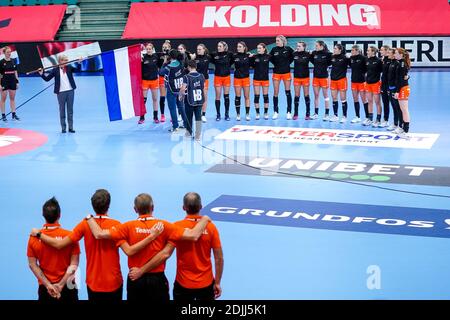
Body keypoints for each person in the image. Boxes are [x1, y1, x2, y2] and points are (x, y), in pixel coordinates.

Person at [30, 189, 162, 301]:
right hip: (114, 282)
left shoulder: (85, 224)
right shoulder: (117, 225)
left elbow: (59, 244)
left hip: (93, 282)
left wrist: (39, 234)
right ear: (108, 205)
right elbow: (129, 250)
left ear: (93, 206)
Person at [85, 193, 212, 302]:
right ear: (153, 207)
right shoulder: (164, 226)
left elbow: (99, 234)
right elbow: (193, 235)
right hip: (157, 280)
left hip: (135, 279)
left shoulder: (126, 227)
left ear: (135, 209)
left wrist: (90, 217)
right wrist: (205, 219)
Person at [129, 192, 224, 301]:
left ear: (184, 208)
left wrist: (142, 270)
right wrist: (217, 282)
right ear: (201, 207)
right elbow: (219, 258)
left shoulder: (177, 227)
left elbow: (165, 254)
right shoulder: (211, 227)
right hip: (206, 284)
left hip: (183, 283)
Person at [27, 197, 80, 302]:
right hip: (69, 284)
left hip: (45, 288)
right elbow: (74, 264)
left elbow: (32, 265)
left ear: (43, 215)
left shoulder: (33, 237)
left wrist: (48, 285)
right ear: (59, 215)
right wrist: (61, 285)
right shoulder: (70, 236)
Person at [39, 55, 80, 133]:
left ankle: (71, 127)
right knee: (62, 110)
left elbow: (77, 70)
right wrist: (42, 74)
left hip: (70, 91)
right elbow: (47, 79)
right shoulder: (55, 70)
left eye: (66, 60)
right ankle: (63, 128)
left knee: (70, 110)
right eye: (64, 60)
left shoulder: (69, 67)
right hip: (61, 93)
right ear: (60, 61)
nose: (66, 62)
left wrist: (79, 63)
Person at [160, 49, 188, 132]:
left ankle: (175, 126)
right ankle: (186, 124)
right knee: (181, 107)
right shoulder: (180, 63)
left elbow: (161, 72)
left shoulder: (169, 66)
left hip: (171, 90)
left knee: (172, 108)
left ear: (170, 57)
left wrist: (164, 62)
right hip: (180, 89)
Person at [269, 35, 294, 120]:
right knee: (276, 92)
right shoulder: (273, 50)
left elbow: (293, 57)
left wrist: (287, 64)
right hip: (276, 73)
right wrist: (277, 65)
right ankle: (276, 112)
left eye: (278, 40)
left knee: (288, 92)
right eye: (276, 40)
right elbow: (270, 59)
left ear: (283, 41)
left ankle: (289, 112)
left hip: (286, 73)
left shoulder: (288, 49)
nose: (276, 42)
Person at [179, 60, 205, 141]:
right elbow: (202, 87)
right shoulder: (202, 76)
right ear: (196, 67)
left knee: (189, 116)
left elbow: (183, 89)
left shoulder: (186, 77)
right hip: (199, 100)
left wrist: (181, 96)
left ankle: (189, 132)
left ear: (189, 67)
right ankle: (198, 135)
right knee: (198, 117)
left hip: (190, 100)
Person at [210, 41, 233, 121]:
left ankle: (227, 114)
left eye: (220, 46)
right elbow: (208, 58)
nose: (218, 47)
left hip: (226, 77)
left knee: (226, 96)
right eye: (218, 46)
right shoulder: (214, 54)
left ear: (224, 47)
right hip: (217, 77)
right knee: (218, 96)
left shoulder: (229, 54)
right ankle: (218, 114)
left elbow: (233, 61)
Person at [310, 40, 332, 120]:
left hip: (324, 78)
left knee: (325, 96)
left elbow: (331, 62)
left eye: (316, 46)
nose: (315, 47)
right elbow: (312, 61)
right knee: (316, 95)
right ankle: (316, 113)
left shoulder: (328, 54)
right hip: (316, 77)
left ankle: (326, 114)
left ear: (321, 46)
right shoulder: (314, 53)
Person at [139, 43, 160, 124]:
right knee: (143, 100)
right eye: (147, 49)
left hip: (154, 81)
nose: (148, 50)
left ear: (152, 49)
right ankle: (142, 117)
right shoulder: (143, 58)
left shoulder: (156, 57)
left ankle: (155, 117)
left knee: (155, 99)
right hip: (145, 81)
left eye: (150, 49)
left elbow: (160, 66)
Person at [249, 43, 270, 120]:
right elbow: (251, 65)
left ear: (264, 49)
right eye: (257, 48)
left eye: (260, 48)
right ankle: (257, 113)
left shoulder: (268, 56)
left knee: (265, 96)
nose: (258, 50)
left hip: (265, 79)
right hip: (256, 79)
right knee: (256, 96)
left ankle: (265, 113)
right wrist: (250, 58)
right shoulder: (255, 57)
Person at [329, 44, 350, 122]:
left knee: (343, 98)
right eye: (334, 48)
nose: (334, 50)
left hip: (342, 80)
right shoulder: (332, 57)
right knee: (334, 98)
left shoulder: (345, 58)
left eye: (335, 48)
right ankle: (335, 115)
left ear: (340, 50)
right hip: (333, 80)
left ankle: (344, 116)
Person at [393, 48, 411, 138]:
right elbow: (402, 77)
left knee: (404, 110)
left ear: (401, 54)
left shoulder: (402, 64)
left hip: (403, 88)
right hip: (402, 88)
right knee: (403, 110)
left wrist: (397, 91)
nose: (394, 54)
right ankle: (403, 129)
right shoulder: (399, 63)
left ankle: (406, 131)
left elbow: (401, 79)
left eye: (396, 53)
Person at [190, 44, 210, 123]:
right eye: (197, 49)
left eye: (200, 49)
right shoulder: (195, 58)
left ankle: (203, 115)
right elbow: (190, 67)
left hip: (205, 80)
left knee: (204, 97)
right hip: (195, 80)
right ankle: (196, 114)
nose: (198, 51)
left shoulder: (208, 57)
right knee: (195, 97)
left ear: (204, 50)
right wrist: (192, 59)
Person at [349, 45, 368, 125]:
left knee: (364, 100)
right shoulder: (351, 58)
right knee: (355, 99)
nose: (351, 52)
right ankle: (357, 117)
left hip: (362, 82)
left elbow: (367, 69)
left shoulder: (363, 58)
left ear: (357, 51)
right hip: (353, 81)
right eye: (351, 50)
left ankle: (367, 117)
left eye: (352, 50)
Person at [0, 46, 20, 122]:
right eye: (7, 52)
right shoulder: (1, 62)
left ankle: (13, 114)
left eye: (10, 52)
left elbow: (15, 72)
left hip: (12, 81)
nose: (9, 53)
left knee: (12, 98)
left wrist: (17, 82)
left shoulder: (13, 61)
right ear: (4, 53)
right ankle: (3, 115)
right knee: (3, 99)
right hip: (4, 81)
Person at [292, 41, 311, 120]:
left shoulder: (308, 54)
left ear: (304, 47)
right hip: (296, 77)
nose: (297, 47)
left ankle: (308, 114)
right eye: (297, 46)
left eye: (299, 46)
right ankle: (295, 113)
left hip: (305, 77)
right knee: (297, 95)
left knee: (306, 95)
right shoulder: (294, 54)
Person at [365, 46, 383, 127]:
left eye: (368, 51)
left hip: (376, 84)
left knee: (377, 102)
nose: (367, 52)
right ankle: (370, 118)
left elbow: (382, 71)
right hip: (368, 84)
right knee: (369, 101)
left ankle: (378, 119)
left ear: (373, 52)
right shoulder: (367, 60)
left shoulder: (379, 61)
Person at [233, 42, 251, 121]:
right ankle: (238, 114)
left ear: (244, 47)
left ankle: (247, 114)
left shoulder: (248, 56)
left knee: (246, 97)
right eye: (237, 47)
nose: (238, 48)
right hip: (237, 79)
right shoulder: (234, 56)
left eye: (240, 47)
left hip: (246, 78)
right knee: (238, 97)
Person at [387, 48, 402, 132]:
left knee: (397, 107)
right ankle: (395, 123)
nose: (388, 54)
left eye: (390, 53)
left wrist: (397, 90)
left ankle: (400, 125)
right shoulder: (391, 63)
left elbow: (398, 77)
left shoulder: (397, 63)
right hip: (390, 87)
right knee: (393, 106)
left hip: (395, 88)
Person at [157, 40, 172, 123]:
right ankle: (162, 115)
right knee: (162, 96)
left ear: (169, 48)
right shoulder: (160, 56)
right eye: (163, 47)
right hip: (162, 77)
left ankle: (172, 114)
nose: (164, 49)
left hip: (170, 78)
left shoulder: (172, 56)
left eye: (166, 47)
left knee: (170, 97)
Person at [379, 45, 391, 128]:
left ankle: (395, 123)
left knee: (394, 104)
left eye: (382, 50)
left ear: (387, 51)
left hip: (390, 86)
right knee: (385, 103)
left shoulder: (391, 60)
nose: (380, 51)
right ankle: (385, 120)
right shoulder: (383, 60)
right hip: (383, 84)